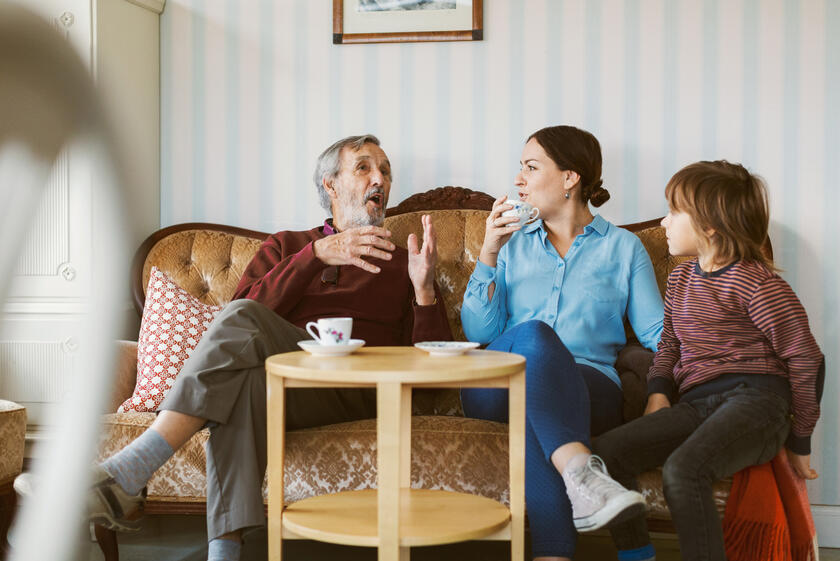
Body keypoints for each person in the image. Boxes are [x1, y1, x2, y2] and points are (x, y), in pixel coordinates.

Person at [87, 134, 452, 561]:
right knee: (246, 381)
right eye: (365, 167)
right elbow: (239, 320)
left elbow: (431, 372)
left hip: (360, 388)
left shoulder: (399, 260)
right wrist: (315, 255)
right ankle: (224, 553)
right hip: (290, 381)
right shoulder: (287, 246)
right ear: (330, 185)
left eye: (386, 171)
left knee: (242, 353)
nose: (380, 179)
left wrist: (424, 289)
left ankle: (135, 466)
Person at [591, 160, 824, 561]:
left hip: (757, 402)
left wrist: (800, 440)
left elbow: (806, 359)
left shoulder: (759, 283)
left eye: (674, 212)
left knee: (683, 471)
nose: (663, 222)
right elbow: (669, 348)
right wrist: (658, 393)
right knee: (605, 454)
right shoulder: (681, 281)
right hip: (697, 403)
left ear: (710, 226)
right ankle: (637, 553)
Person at [460, 125, 664, 561]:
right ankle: (583, 475)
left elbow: (659, 336)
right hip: (496, 383)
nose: (519, 180)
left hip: (589, 387)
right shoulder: (511, 246)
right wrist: (490, 251)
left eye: (531, 168)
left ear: (570, 178)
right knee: (535, 336)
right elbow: (480, 335)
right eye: (520, 169)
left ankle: (553, 553)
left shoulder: (625, 250)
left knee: (534, 413)